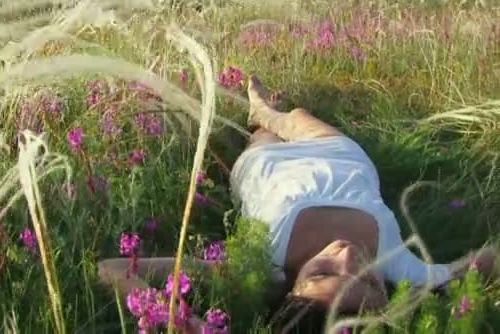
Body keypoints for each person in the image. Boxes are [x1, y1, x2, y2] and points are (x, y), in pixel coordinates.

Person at [97, 75, 498, 332]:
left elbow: (111, 270)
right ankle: (268, 110)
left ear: (293, 290)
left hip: (265, 165)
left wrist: (186, 323)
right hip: (341, 155)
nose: (346, 256)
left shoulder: (262, 268)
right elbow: (489, 260)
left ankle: (261, 113)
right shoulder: (407, 269)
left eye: (324, 272)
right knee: (297, 115)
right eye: (367, 278)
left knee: (263, 133)